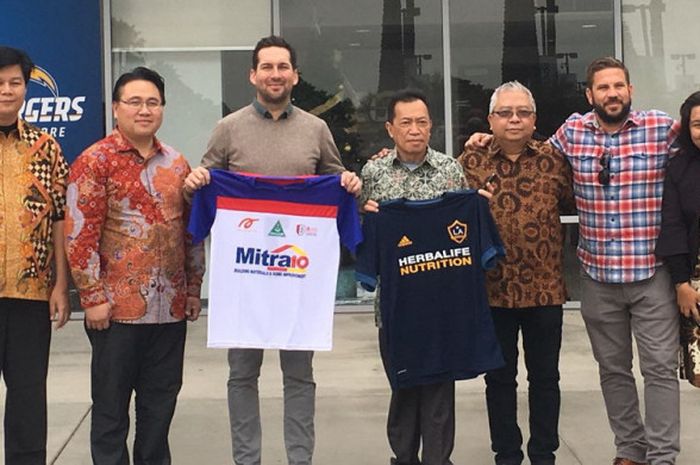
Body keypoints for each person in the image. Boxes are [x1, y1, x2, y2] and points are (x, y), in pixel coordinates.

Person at [466, 57, 680, 465]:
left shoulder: (658, 129)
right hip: (586, 278)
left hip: (645, 273)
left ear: (630, 90)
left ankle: (663, 455)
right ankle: (629, 451)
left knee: (658, 371)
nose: (612, 94)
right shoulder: (568, 137)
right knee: (611, 371)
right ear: (589, 95)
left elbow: (692, 150)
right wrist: (477, 139)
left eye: (618, 86)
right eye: (603, 87)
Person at [183, 35, 360, 465]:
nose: (275, 74)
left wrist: (350, 185)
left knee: (299, 376)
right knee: (242, 375)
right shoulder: (229, 127)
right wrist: (196, 185)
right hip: (245, 277)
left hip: (297, 276)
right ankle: (248, 460)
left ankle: (300, 459)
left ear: (295, 75)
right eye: (267, 67)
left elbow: (335, 183)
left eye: (283, 67)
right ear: (253, 74)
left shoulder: (316, 129)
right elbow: (206, 183)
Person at [65, 67, 205, 465]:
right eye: (134, 102)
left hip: (170, 312)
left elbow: (190, 233)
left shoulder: (177, 164)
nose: (144, 110)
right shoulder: (95, 162)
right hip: (115, 314)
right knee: (110, 414)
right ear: (116, 108)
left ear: (162, 108)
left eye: (153, 102)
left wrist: (194, 288)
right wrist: (91, 298)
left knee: (159, 412)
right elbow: (78, 235)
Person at [457, 81, 574, 465]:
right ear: (491, 119)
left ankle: (544, 454)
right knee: (499, 381)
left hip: (545, 291)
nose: (514, 119)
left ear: (534, 119)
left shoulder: (554, 160)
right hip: (493, 291)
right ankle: (506, 454)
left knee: (546, 380)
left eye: (522, 112)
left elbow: (589, 197)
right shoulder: (469, 162)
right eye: (505, 113)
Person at [359, 88, 475, 465]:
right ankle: (403, 458)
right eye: (406, 122)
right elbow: (360, 236)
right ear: (390, 129)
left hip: (442, 304)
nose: (415, 130)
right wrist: (365, 214)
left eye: (422, 122)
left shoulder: (450, 170)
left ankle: (439, 460)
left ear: (432, 127)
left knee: (440, 389)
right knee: (404, 386)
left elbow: (465, 234)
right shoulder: (372, 173)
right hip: (394, 307)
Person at [0, 45, 70, 465]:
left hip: (30, 294)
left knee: (28, 398)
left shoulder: (47, 148)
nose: (7, 90)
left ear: (27, 87)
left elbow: (60, 217)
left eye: (15, 82)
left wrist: (61, 284)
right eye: (0, 82)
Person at [656, 90, 700, 386]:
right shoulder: (680, 168)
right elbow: (672, 226)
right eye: (697, 124)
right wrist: (680, 283)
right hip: (696, 285)